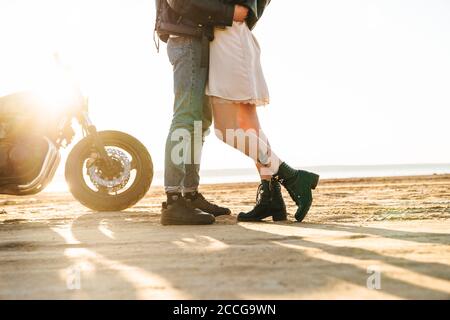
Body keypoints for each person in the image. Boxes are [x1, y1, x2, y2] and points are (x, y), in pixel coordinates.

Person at [206, 0, 320, 222]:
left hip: (230, 46)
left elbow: (240, 12)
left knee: (226, 131)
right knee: (250, 128)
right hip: (230, 44)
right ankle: (271, 197)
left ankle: (292, 176)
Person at [155, 0, 251, 225]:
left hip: (198, 40)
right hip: (187, 40)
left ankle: (189, 194)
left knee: (199, 123)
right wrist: (229, 13)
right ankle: (174, 200)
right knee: (186, 118)